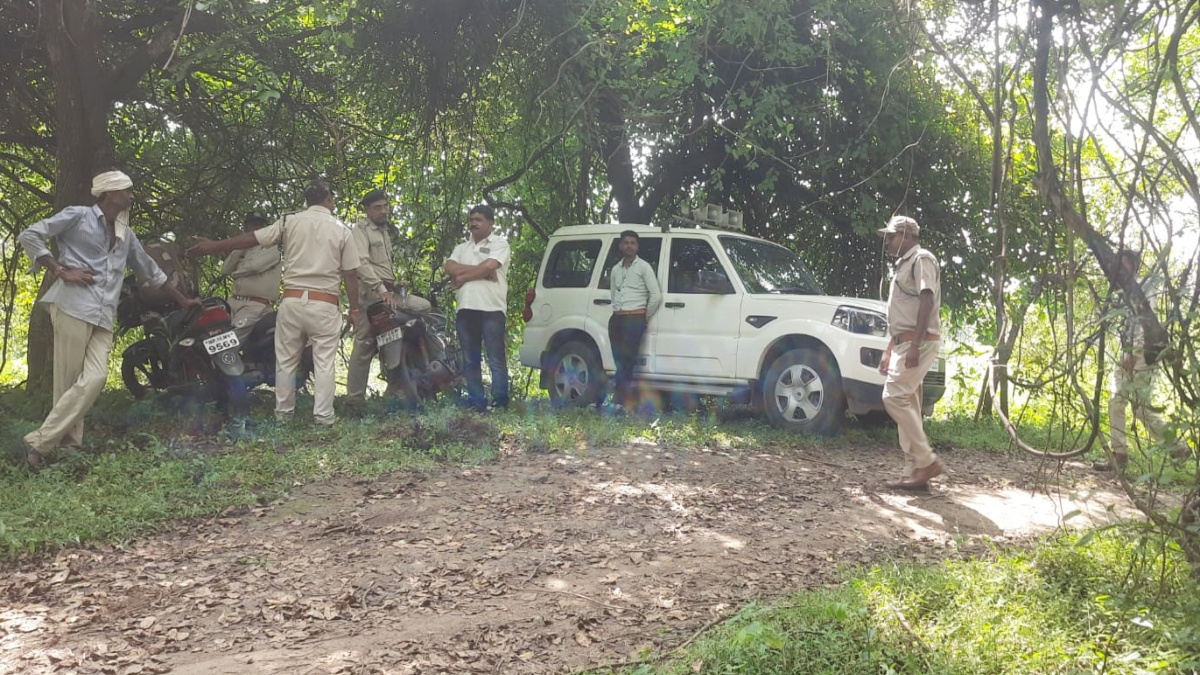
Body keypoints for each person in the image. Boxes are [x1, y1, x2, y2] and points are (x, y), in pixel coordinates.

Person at [17, 169, 202, 469]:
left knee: (95, 378)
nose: (131, 196)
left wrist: (183, 300)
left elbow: (152, 272)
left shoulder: (124, 234)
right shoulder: (77, 216)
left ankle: (40, 441)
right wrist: (60, 270)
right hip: (72, 306)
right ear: (109, 194)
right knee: (68, 383)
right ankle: (65, 447)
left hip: (103, 314)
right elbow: (31, 235)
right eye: (126, 191)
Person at [187, 180, 360, 427]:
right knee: (324, 363)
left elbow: (251, 239)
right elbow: (351, 274)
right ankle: (324, 418)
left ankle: (283, 416)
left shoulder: (290, 222)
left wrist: (213, 246)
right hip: (324, 303)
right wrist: (354, 309)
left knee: (286, 360)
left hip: (291, 302)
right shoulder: (342, 230)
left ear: (307, 200)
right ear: (329, 200)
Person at [1099, 249, 1189, 471]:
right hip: (1125, 352)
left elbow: (1147, 323)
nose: (1119, 269)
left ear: (1134, 266)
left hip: (1141, 352)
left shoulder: (1144, 289)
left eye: (1124, 265)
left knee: (1140, 407)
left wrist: (1135, 352)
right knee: (1116, 400)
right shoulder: (1122, 292)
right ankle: (1119, 454)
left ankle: (1177, 447)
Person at [876, 215, 943, 489]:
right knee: (908, 404)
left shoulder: (921, 259)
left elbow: (927, 299)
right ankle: (916, 473)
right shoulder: (904, 264)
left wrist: (914, 345)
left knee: (893, 396)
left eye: (891, 236)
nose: (888, 242)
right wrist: (891, 349)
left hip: (920, 342)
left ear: (906, 235)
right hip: (905, 342)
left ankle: (926, 462)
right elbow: (903, 313)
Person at [346, 189, 432, 399]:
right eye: (377, 207)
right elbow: (361, 264)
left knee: (424, 308)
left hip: (389, 294)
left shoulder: (384, 232)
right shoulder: (360, 230)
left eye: (385, 206)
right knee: (364, 343)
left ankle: (400, 385)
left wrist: (393, 285)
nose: (383, 211)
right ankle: (354, 399)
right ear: (366, 210)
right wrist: (382, 289)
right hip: (371, 296)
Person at [444, 204, 510, 412]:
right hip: (466, 309)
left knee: (495, 357)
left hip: (491, 309)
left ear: (490, 223)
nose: (473, 224)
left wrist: (462, 277)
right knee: (470, 359)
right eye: (471, 220)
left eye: (479, 220)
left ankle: (500, 401)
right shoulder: (461, 247)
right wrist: (480, 271)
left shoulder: (500, 244)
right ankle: (476, 402)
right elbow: (449, 267)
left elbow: (491, 266)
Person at [607, 230, 662, 410]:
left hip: (635, 319)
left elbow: (656, 296)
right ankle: (620, 399)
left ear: (637, 247)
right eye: (626, 242)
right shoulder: (615, 269)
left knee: (628, 359)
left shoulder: (644, 267)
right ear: (620, 246)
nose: (629, 245)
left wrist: (643, 316)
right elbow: (614, 294)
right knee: (618, 359)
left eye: (633, 243)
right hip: (617, 319)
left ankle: (620, 400)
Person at [221, 212, 282, 342]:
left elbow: (254, 266)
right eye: (254, 225)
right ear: (246, 228)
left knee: (231, 339)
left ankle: (219, 360)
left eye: (261, 225)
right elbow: (225, 269)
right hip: (233, 302)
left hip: (256, 305)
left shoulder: (271, 247)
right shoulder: (243, 249)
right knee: (214, 330)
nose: (257, 228)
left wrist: (236, 274)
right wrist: (240, 248)